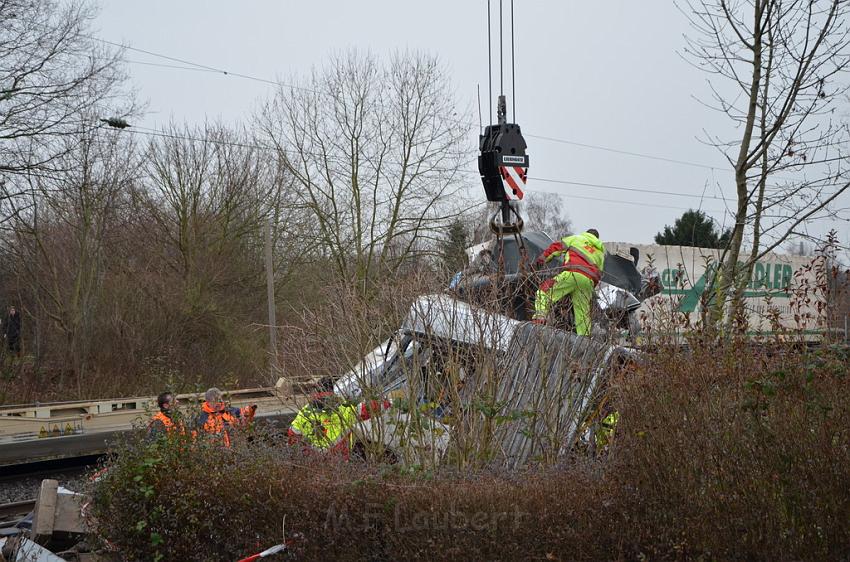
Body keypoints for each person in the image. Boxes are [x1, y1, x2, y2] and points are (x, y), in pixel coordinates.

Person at [533, 229, 605, 336]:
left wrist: (542, 259)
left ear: (587, 233)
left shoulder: (577, 238)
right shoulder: (600, 253)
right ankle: (584, 340)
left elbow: (556, 247)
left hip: (572, 274)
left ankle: (539, 320)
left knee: (544, 291)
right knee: (582, 314)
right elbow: (599, 274)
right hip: (588, 282)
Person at [288, 390, 360, 459]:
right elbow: (367, 409)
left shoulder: (305, 412)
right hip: (340, 462)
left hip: (315, 463)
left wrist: (306, 454)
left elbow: (293, 437)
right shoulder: (346, 408)